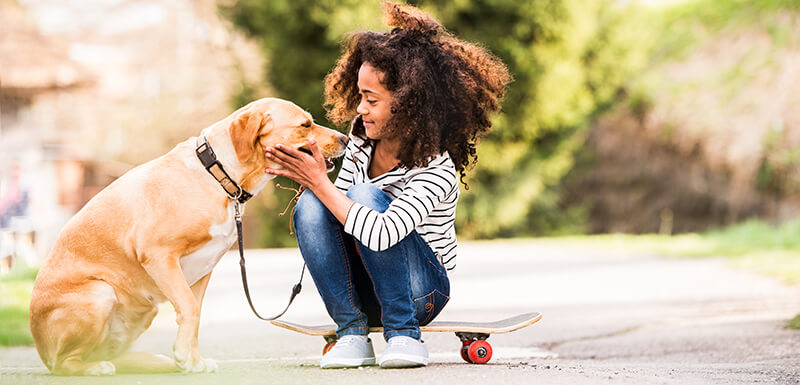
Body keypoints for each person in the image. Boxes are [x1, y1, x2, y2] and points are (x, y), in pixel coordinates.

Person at [264, 1, 510, 369]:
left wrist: (319, 183)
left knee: (362, 195)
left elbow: (381, 233)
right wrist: (310, 178)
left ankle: (405, 335)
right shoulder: (362, 139)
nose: (360, 109)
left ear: (410, 104)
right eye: (360, 96)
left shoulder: (436, 167)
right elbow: (338, 209)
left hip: (421, 292)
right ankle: (351, 332)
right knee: (312, 205)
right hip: (366, 286)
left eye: (371, 99)